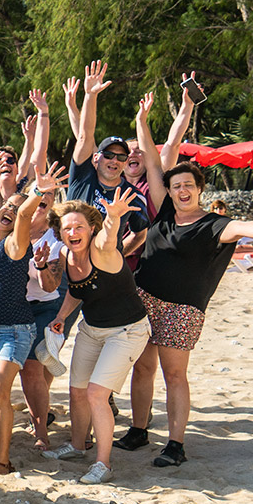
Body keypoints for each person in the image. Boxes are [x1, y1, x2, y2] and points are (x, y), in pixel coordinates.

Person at [121, 88, 253, 468]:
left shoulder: (214, 225)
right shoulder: (164, 215)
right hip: (144, 300)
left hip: (182, 309)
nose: (182, 190)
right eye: (176, 186)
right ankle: (139, 430)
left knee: (174, 375)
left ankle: (174, 444)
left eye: (189, 185)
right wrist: (141, 121)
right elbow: (154, 161)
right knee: (141, 367)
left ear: (200, 189)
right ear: (168, 192)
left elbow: (244, 226)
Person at [0, 164, 66, 474]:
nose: (9, 210)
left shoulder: (16, 245)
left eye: (16, 209)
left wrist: (37, 190)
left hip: (15, 330)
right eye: (7, 205)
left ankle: (3, 460)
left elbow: (22, 216)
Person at [45, 189, 149, 485]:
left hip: (127, 330)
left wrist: (113, 218)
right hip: (92, 329)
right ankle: (78, 446)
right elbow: (77, 292)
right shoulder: (66, 254)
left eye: (79, 226)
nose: (73, 232)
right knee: (76, 390)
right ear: (60, 233)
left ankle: (103, 464)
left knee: (95, 394)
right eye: (67, 228)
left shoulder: (102, 249)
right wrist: (61, 316)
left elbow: (108, 238)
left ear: (92, 228)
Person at [64, 61, 149, 254]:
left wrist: (118, 254)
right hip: (70, 263)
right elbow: (85, 134)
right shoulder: (82, 176)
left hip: (106, 273)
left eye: (121, 157)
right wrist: (90, 95)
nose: (114, 160)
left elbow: (140, 234)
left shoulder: (133, 196)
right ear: (96, 158)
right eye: (109, 155)